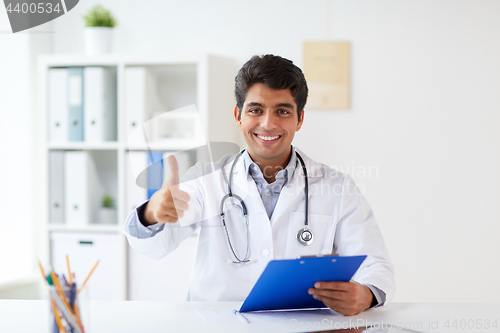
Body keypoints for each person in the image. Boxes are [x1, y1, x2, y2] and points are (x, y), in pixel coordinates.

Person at [124, 54, 395, 316]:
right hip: (218, 325)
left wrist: (366, 294)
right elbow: (154, 246)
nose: (268, 123)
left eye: (283, 111)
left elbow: (375, 264)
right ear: (238, 116)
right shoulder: (206, 180)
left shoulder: (337, 187)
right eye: (256, 110)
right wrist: (151, 214)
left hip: (300, 324)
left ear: (299, 119)